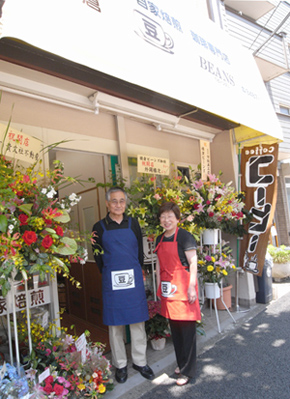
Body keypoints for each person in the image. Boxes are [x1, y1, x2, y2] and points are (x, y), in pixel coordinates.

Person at [92, 186, 154, 384]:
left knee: (138, 322)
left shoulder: (133, 223)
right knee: (115, 325)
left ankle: (140, 361)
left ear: (125, 203)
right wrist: (111, 274)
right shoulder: (99, 227)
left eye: (122, 201)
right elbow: (98, 256)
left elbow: (139, 252)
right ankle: (120, 364)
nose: (118, 205)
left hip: (133, 278)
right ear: (107, 203)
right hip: (112, 280)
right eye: (114, 201)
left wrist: (137, 270)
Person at [154, 201, 201, 386]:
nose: (166, 220)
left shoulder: (184, 237)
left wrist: (192, 287)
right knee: (175, 330)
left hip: (183, 287)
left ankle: (187, 371)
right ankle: (181, 364)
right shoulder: (159, 239)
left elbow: (193, 263)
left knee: (187, 331)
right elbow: (158, 263)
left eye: (170, 217)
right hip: (168, 288)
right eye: (163, 217)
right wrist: (158, 285)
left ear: (177, 219)